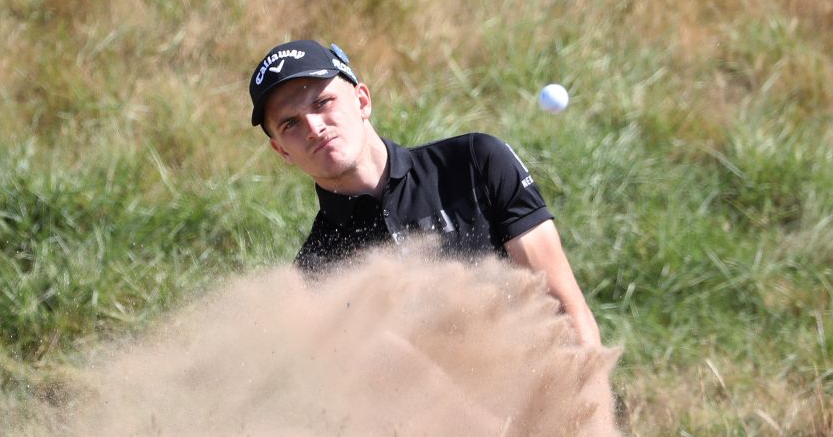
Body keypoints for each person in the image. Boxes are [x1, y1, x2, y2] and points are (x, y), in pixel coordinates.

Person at [248, 39, 602, 347]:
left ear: (362, 100)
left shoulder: (474, 163)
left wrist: (593, 421)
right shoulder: (316, 271)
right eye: (290, 124)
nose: (314, 127)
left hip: (565, 403)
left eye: (322, 102)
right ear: (281, 151)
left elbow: (565, 308)